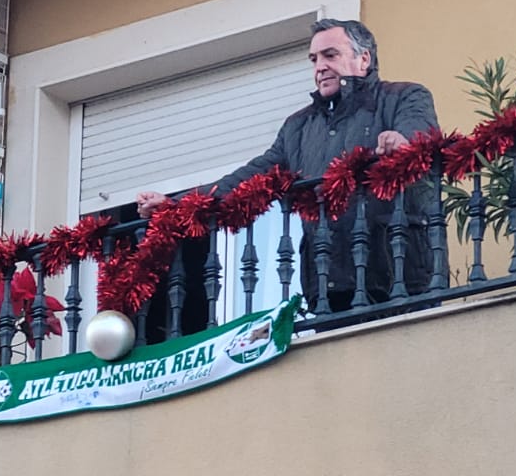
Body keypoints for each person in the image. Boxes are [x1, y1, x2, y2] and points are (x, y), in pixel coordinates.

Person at [138, 19, 438, 313]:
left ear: (364, 60)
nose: (319, 67)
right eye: (314, 59)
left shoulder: (404, 96)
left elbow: (421, 135)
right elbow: (248, 179)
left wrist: (401, 141)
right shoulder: (298, 127)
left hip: (400, 274)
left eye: (330, 55)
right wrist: (176, 204)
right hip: (328, 287)